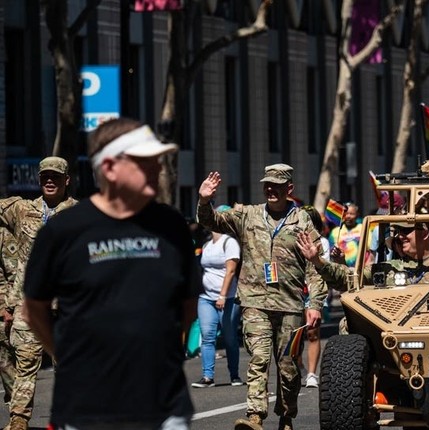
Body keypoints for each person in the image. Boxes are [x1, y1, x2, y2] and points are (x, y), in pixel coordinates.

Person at [22, 118, 198, 429]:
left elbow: (187, 305)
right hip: (86, 408)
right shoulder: (64, 230)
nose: (157, 169)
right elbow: (34, 309)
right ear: (110, 168)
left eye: (157, 161)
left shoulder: (172, 226)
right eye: (144, 162)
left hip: (164, 406)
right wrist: (71, 358)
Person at [197, 164, 327, 430]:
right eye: (267, 185)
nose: (270, 190)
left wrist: (314, 303)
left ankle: (286, 416)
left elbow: (316, 266)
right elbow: (212, 222)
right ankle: (255, 416)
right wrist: (205, 200)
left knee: (288, 367)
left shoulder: (302, 221)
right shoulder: (249, 215)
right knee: (259, 358)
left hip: (290, 305)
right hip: (254, 302)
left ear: (289, 189)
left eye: (277, 186)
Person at [0, 156, 78, 430]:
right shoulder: (22, 210)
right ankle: (18, 422)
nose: (49, 180)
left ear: (66, 180)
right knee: (25, 370)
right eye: (45, 176)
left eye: (56, 177)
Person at [297, 221, 429, 292]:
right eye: (397, 232)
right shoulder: (388, 268)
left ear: (425, 234)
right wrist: (317, 261)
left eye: (406, 231)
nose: (400, 236)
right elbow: (349, 278)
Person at [192, 205, 244, 389]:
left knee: (229, 338)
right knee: (207, 336)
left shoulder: (230, 242)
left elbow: (230, 271)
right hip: (206, 298)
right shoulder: (207, 244)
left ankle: (235, 375)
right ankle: (207, 377)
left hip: (227, 298)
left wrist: (222, 295)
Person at [300, 205, 330, 389]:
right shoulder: (290, 238)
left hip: (313, 292)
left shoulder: (322, 242)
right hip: (293, 291)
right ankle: (299, 367)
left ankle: (311, 373)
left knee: (312, 332)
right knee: (293, 335)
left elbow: (322, 267)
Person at [0, 229, 18, 405]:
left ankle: (17, 413)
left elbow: (13, 274)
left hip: (1, 310)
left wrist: (9, 308)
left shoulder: (3, 236)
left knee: (5, 364)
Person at [328, 202, 363, 268]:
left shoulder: (363, 228)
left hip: (359, 270)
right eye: (346, 214)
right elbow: (330, 250)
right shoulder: (335, 231)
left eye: (351, 214)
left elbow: (370, 251)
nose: (348, 216)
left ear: (357, 215)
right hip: (340, 269)